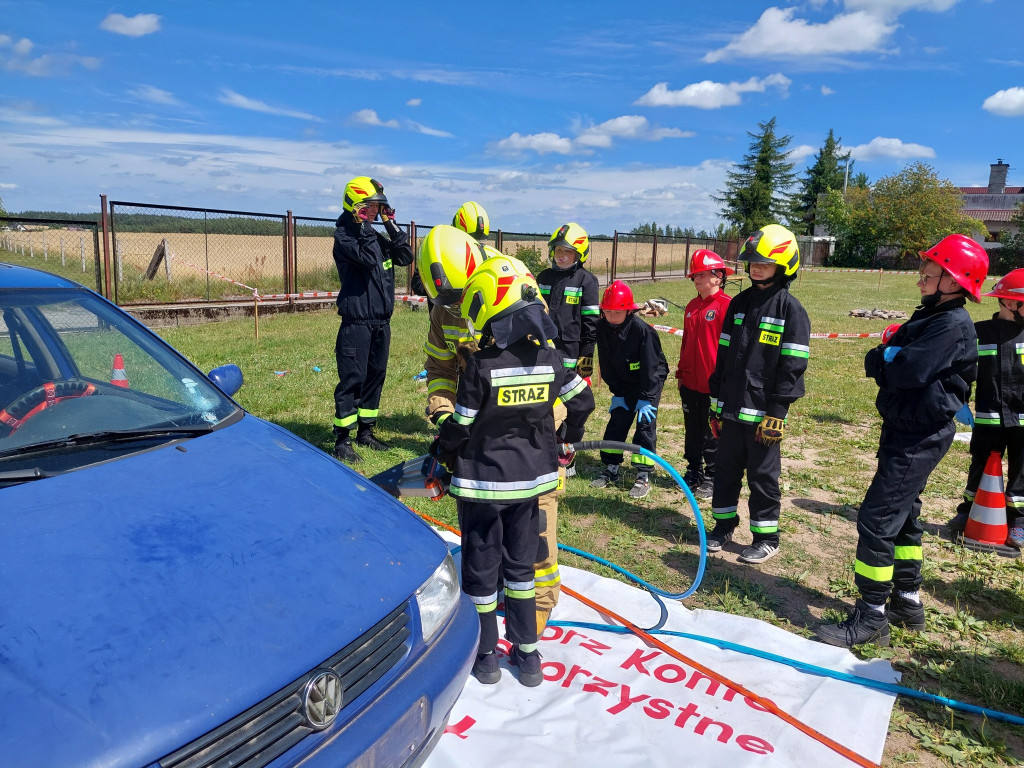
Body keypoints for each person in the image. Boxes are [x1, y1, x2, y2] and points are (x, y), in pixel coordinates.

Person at [816, 234, 987, 648]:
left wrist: (886, 356)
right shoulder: (931, 316)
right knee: (904, 515)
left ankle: (872, 614)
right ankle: (906, 602)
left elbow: (905, 368)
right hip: (905, 429)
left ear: (954, 280)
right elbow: (887, 355)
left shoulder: (951, 324)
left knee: (876, 519)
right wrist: (887, 355)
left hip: (918, 437)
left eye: (929, 275)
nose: (920, 281)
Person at [432, 256, 594, 686]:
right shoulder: (554, 358)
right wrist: (565, 439)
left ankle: (485, 657)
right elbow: (583, 402)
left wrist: (441, 450)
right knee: (522, 570)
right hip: (531, 486)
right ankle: (528, 656)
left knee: (482, 573)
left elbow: (460, 427)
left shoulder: (480, 367)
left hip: (484, 488)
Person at [417, 226, 572, 635]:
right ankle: (489, 603)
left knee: (535, 532)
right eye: (445, 301)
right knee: (483, 530)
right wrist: (444, 414)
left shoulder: (517, 285)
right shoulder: (445, 309)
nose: (454, 308)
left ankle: (532, 624)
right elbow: (440, 368)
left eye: (459, 297)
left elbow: (547, 363)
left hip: (530, 427)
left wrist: (555, 425)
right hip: (475, 431)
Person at [706, 224, 810, 564]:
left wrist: (778, 412)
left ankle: (766, 536)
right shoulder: (737, 304)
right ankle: (722, 526)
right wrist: (714, 407)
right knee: (725, 470)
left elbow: (793, 366)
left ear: (784, 265)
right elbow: (722, 358)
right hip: (731, 410)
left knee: (763, 476)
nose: (756, 267)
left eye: (764, 262)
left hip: (764, 416)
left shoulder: (790, 311)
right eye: (752, 261)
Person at [330, 176, 415, 463]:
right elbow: (367, 258)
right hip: (357, 322)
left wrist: (391, 225)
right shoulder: (345, 236)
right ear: (355, 206)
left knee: (375, 377)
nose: (376, 212)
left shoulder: (375, 235)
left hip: (381, 321)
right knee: (353, 379)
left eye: (379, 207)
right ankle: (342, 440)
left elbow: (404, 256)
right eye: (371, 207)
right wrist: (365, 225)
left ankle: (365, 432)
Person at [947, 269, 1024, 549]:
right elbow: (961, 369)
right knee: (979, 467)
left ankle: (1018, 522)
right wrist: (959, 401)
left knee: (1021, 471)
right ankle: (967, 512)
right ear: (1010, 303)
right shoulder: (979, 333)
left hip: (1023, 422)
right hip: (989, 419)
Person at [591, 279, 668, 500]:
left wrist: (646, 398)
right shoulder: (602, 328)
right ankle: (611, 468)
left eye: (618, 312)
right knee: (618, 420)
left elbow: (652, 368)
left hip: (648, 381)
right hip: (623, 383)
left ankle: (643, 475)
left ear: (629, 310)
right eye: (608, 311)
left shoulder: (643, 332)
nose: (612, 316)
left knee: (645, 425)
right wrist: (618, 392)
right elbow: (605, 362)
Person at [676, 249, 734, 500]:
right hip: (690, 381)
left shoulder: (727, 306)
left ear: (718, 276)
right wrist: (681, 373)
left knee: (713, 431)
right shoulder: (691, 306)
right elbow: (686, 341)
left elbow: (732, 349)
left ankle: (713, 475)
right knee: (693, 429)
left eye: (701, 274)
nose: (696, 280)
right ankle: (693, 470)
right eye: (694, 276)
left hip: (714, 384)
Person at [537, 222, 601, 379]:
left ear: (579, 255)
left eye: (567, 251)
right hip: (542, 348)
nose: (560, 255)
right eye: (558, 249)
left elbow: (591, 320)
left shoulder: (586, 280)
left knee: (569, 395)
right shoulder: (543, 277)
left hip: (569, 350)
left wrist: (587, 352)